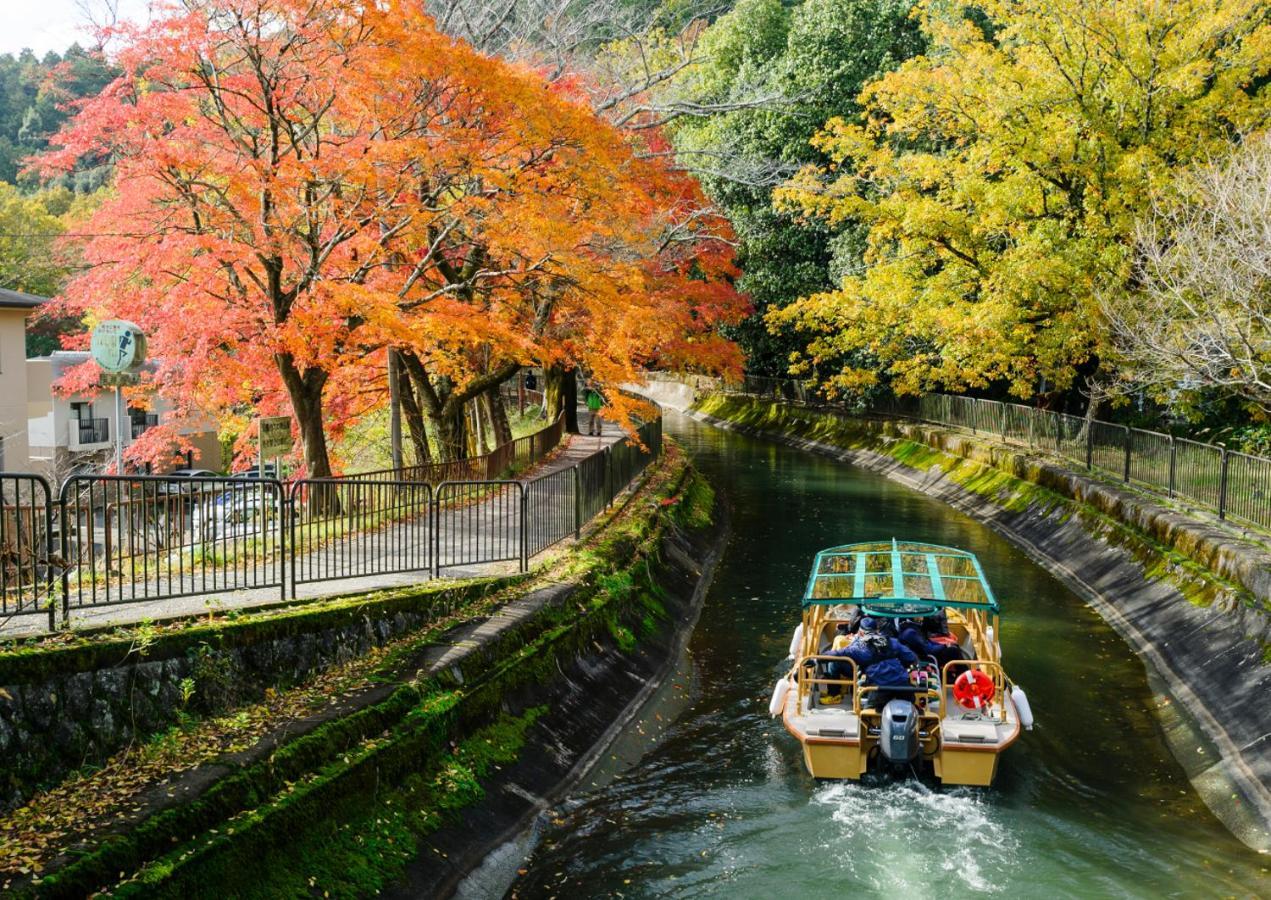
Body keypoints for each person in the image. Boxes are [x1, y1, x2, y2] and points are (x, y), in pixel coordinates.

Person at [825, 616, 919, 710]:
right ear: (877, 630)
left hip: (881, 688)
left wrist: (817, 659)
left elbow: (835, 654)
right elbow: (911, 657)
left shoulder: (858, 649)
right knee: (911, 710)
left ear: (860, 633)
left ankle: (834, 694)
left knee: (868, 716)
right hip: (903, 686)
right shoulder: (892, 641)